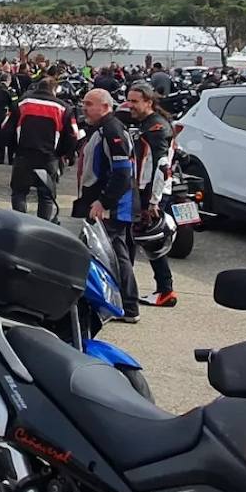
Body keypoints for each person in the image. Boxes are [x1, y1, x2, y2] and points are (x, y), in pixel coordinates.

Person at [74, 88, 139, 321]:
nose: (85, 107)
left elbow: (122, 173)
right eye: (84, 103)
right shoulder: (100, 129)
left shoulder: (112, 130)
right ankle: (119, 304)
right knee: (110, 253)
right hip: (99, 202)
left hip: (112, 206)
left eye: (90, 104)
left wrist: (103, 202)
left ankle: (126, 306)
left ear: (105, 106)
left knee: (112, 255)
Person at [126, 81, 177, 307]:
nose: (130, 105)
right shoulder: (149, 124)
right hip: (146, 189)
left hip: (151, 192)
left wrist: (153, 201)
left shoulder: (156, 128)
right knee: (147, 242)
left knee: (145, 241)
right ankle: (164, 289)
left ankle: (163, 290)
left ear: (148, 102)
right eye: (129, 100)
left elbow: (162, 166)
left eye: (135, 101)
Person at [10, 76, 76, 219]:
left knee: (19, 192)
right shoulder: (63, 108)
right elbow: (72, 135)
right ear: (54, 89)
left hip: (24, 155)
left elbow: (7, 129)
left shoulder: (22, 103)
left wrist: (14, 150)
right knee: (46, 196)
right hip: (48, 158)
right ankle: (43, 227)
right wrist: (62, 154)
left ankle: (18, 223)